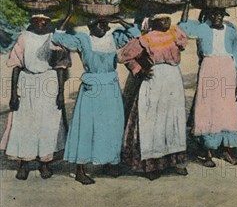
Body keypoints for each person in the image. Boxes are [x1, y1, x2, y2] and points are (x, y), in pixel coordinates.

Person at [52, 10, 134, 185]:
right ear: (90, 25)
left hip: (111, 87)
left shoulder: (114, 38)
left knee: (112, 125)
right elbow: (57, 37)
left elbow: (135, 34)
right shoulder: (83, 39)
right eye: (99, 23)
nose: (104, 26)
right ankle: (80, 170)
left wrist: (119, 19)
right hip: (91, 89)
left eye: (105, 23)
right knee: (86, 127)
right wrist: (68, 14)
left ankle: (109, 163)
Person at [118, 13, 189, 180]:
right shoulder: (145, 38)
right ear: (154, 22)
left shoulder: (174, 33)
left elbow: (183, 42)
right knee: (152, 119)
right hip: (154, 78)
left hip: (173, 78)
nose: (166, 22)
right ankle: (150, 165)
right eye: (162, 19)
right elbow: (124, 56)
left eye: (168, 19)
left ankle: (174, 161)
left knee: (172, 119)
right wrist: (139, 69)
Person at [1, 15, 69, 180]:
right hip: (27, 81)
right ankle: (24, 163)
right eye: (38, 20)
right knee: (24, 123)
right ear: (32, 21)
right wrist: (13, 95)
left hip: (49, 81)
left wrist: (60, 93)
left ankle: (44, 163)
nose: (42, 23)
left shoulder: (54, 38)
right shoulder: (24, 37)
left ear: (49, 22)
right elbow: (16, 66)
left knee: (48, 123)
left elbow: (60, 67)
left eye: (45, 20)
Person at [179, 6, 237, 167]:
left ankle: (226, 149)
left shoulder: (231, 30)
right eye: (214, 14)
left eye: (220, 14)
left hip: (228, 70)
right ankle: (207, 152)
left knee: (228, 109)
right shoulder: (202, 28)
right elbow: (183, 26)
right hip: (209, 69)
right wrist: (186, 5)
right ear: (208, 15)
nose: (217, 17)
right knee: (207, 108)